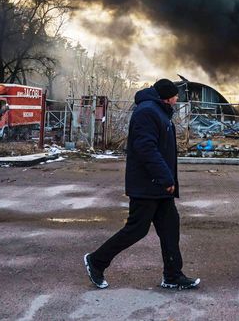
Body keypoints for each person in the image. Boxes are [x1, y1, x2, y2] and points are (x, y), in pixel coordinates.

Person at [83, 79, 200, 290]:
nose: (176, 101)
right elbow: (146, 148)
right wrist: (165, 177)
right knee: (136, 229)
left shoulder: (158, 111)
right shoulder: (147, 112)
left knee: (170, 227)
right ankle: (96, 261)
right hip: (148, 185)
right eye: (175, 97)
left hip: (158, 186)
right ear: (166, 96)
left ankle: (172, 275)